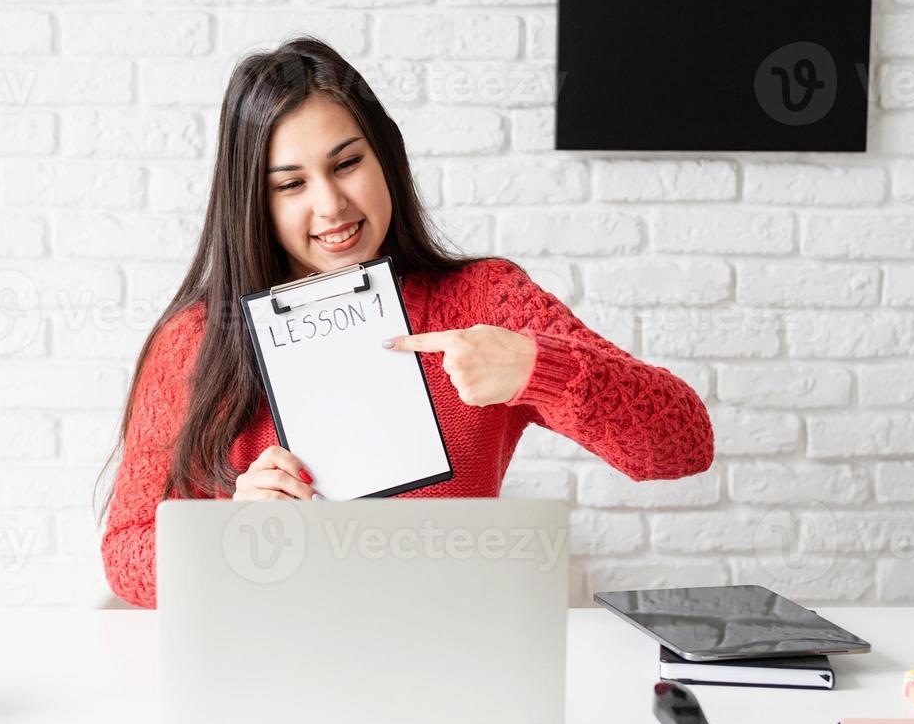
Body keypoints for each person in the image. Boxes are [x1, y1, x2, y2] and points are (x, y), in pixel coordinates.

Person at [97, 36, 714, 609]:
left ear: (384, 156)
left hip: (443, 655)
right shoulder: (195, 340)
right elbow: (125, 552)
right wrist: (229, 533)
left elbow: (682, 445)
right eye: (291, 184)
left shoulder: (482, 300)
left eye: (346, 164)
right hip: (271, 662)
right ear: (255, 202)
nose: (331, 205)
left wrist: (537, 368)